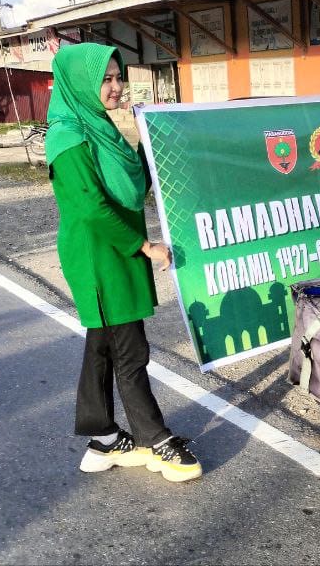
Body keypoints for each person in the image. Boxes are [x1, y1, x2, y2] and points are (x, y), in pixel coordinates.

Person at [44, 43, 202, 482]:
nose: (116, 87)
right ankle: (156, 440)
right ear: (80, 83)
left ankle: (103, 439)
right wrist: (143, 246)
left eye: (119, 78)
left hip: (116, 248)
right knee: (129, 350)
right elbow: (90, 207)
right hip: (99, 255)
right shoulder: (68, 137)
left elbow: (133, 184)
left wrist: (150, 135)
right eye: (105, 79)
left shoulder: (101, 129)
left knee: (103, 344)